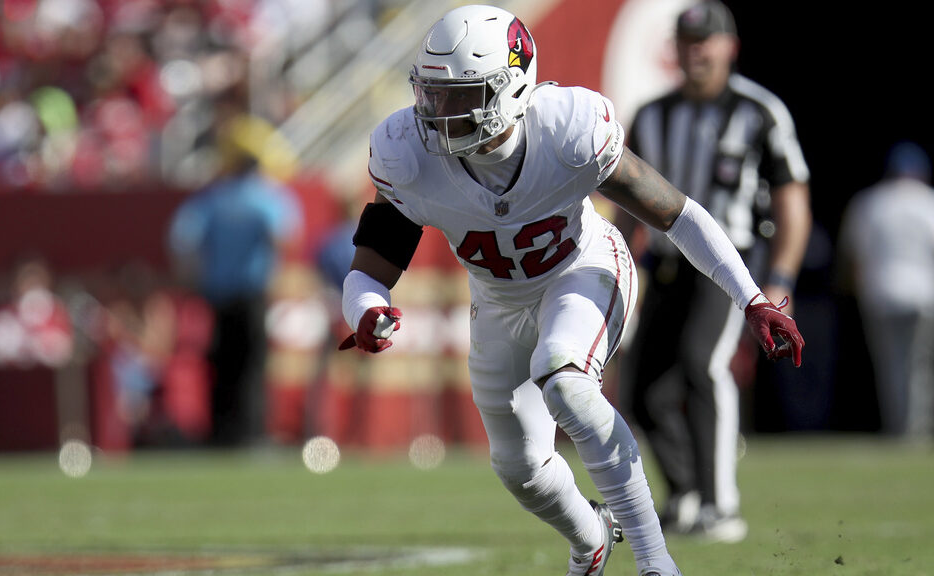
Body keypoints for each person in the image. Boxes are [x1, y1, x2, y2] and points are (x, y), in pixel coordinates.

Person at [338, 5, 803, 576]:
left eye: (462, 96)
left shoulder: (567, 128)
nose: (440, 113)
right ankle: (591, 541)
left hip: (580, 269)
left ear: (511, 88)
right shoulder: (407, 152)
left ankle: (658, 565)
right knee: (520, 467)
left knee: (567, 382)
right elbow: (368, 271)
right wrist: (367, 308)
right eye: (433, 94)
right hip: (497, 301)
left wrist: (751, 297)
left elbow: (677, 216)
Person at [619, 0, 812, 543]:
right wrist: (621, 267)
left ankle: (720, 504)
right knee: (641, 390)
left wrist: (779, 280)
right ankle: (683, 495)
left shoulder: (760, 111)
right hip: (664, 267)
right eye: (686, 41)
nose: (696, 51)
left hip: (734, 262)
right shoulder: (651, 114)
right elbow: (626, 202)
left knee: (702, 363)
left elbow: (792, 200)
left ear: (730, 46)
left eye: (706, 41)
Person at [168, 114, 303, 448]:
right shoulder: (266, 198)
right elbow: (286, 237)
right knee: (253, 366)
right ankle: (253, 433)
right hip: (252, 293)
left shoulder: (212, 199)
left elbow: (181, 241)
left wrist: (196, 278)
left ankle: (220, 433)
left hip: (217, 294)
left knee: (220, 365)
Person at [837, 141, 934, 439]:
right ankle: (915, 429)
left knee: (891, 365)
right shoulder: (929, 201)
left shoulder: (869, 202)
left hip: (881, 293)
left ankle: (898, 429)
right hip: (923, 294)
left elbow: (854, 256)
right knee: (920, 366)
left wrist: (852, 289)